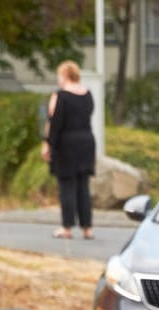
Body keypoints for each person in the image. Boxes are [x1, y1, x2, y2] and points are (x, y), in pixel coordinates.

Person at [42, 60, 96, 240]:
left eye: (59, 75)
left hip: (67, 144)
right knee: (83, 186)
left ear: (65, 75)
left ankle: (67, 227)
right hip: (86, 142)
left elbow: (55, 123)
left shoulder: (61, 96)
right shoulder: (88, 94)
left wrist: (48, 144)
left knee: (67, 186)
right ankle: (87, 228)